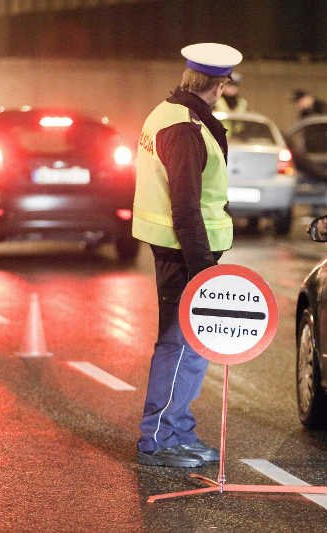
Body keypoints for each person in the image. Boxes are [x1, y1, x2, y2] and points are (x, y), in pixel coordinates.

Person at [132, 42, 242, 468]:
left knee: (184, 344)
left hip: (178, 250)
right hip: (186, 254)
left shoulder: (170, 112)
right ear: (219, 84)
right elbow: (185, 206)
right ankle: (161, 437)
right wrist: (203, 272)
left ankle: (174, 430)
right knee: (182, 346)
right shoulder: (183, 127)